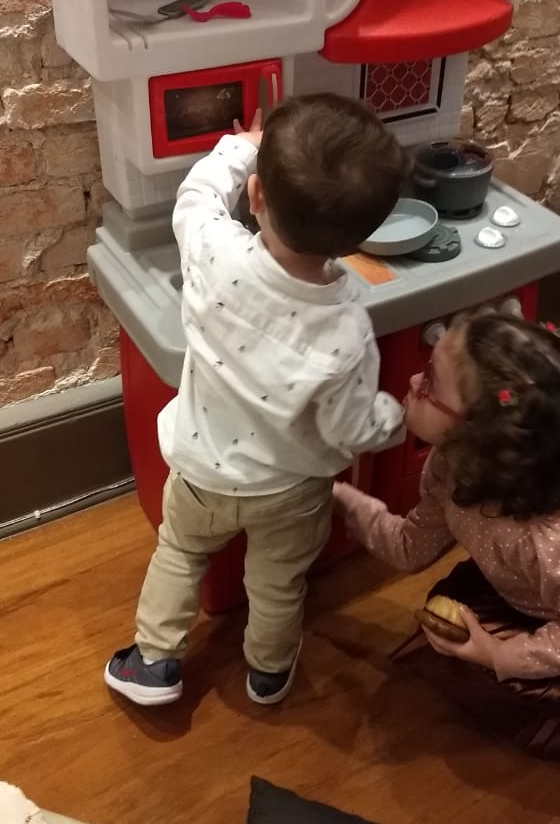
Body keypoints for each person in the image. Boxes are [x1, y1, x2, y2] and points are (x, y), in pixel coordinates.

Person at [105, 93, 409, 708]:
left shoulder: (214, 254)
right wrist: (394, 417)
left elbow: (195, 196)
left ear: (257, 195)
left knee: (179, 553)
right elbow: (352, 428)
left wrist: (240, 148)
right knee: (277, 582)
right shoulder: (348, 329)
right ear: (362, 236)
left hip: (200, 473)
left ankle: (154, 663)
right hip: (292, 492)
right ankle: (267, 671)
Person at [333, 309, 560, 766]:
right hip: (550, 596)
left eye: (429, 381)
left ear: (478, 436)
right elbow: (412, 547)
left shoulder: (553, 543)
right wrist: (350, 503)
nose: (411, 381)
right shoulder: (450, 466)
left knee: (512, 687)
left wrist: (502, 655)